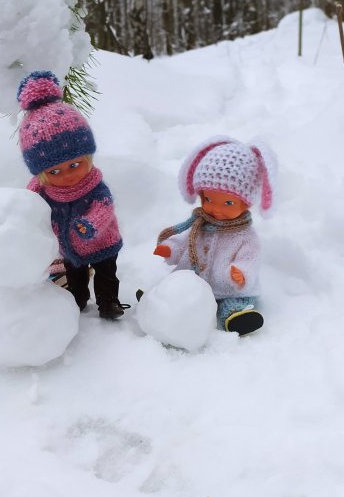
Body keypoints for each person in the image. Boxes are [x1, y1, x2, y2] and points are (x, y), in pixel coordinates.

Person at [17, 70, 128, 319]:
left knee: (106, 274)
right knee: (75, 276)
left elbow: (103, 208)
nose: (67, 175)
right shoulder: (42, 189)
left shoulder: (95, 187)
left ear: (88, 157)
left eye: (75, 165)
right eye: (55, 171)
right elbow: (28, 204)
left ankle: (108, 302)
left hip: (102, 242)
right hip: (68, 249)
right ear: (41, 172)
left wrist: (91, 224)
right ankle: (76, 300)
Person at [154, 136, 275, 335]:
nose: (215, 209)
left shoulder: (245, 236)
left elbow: (249, 258)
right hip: (193, 284)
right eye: (208, 199)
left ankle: (236, 317)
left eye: (228, 203)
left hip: (228, 289)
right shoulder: (200, 225)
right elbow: (185, 243)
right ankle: (156, 305)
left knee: (234, 303)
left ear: (246, 203)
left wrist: (241, 273)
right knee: (177, 291)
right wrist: (170, 249)